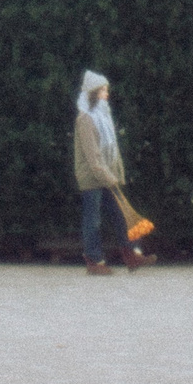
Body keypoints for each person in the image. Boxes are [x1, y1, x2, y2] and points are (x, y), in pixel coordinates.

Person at [73, 70, 150, 274]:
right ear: (93, 93)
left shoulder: (103, 116)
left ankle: (132, 253)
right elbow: (93, 156)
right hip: (92, 178)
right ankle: (94, 262)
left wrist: (116, 175)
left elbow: (112, 150)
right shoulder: (85, 119)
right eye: (103, 90)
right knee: (94, 219)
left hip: (108, 176)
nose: (107, 93)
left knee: (121, 215)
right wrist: (109, 177)